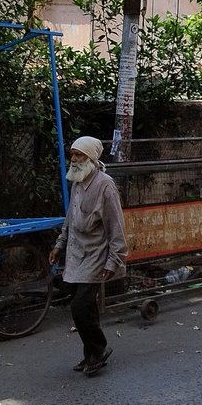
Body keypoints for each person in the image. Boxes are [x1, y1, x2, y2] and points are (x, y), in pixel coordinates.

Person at [49, 136, 127, 377]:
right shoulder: (77, 183)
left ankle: (99, 349)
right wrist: (59, 245)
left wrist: (114, 260)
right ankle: (91, 354)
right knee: (85, 307)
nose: (73, 159)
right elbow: (71, 220)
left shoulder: (105, 185)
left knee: (80, 307)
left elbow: (117, 228)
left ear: (91, 158)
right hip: (75, 253)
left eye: (79, 155)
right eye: (72, 154)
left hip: (96, 255)